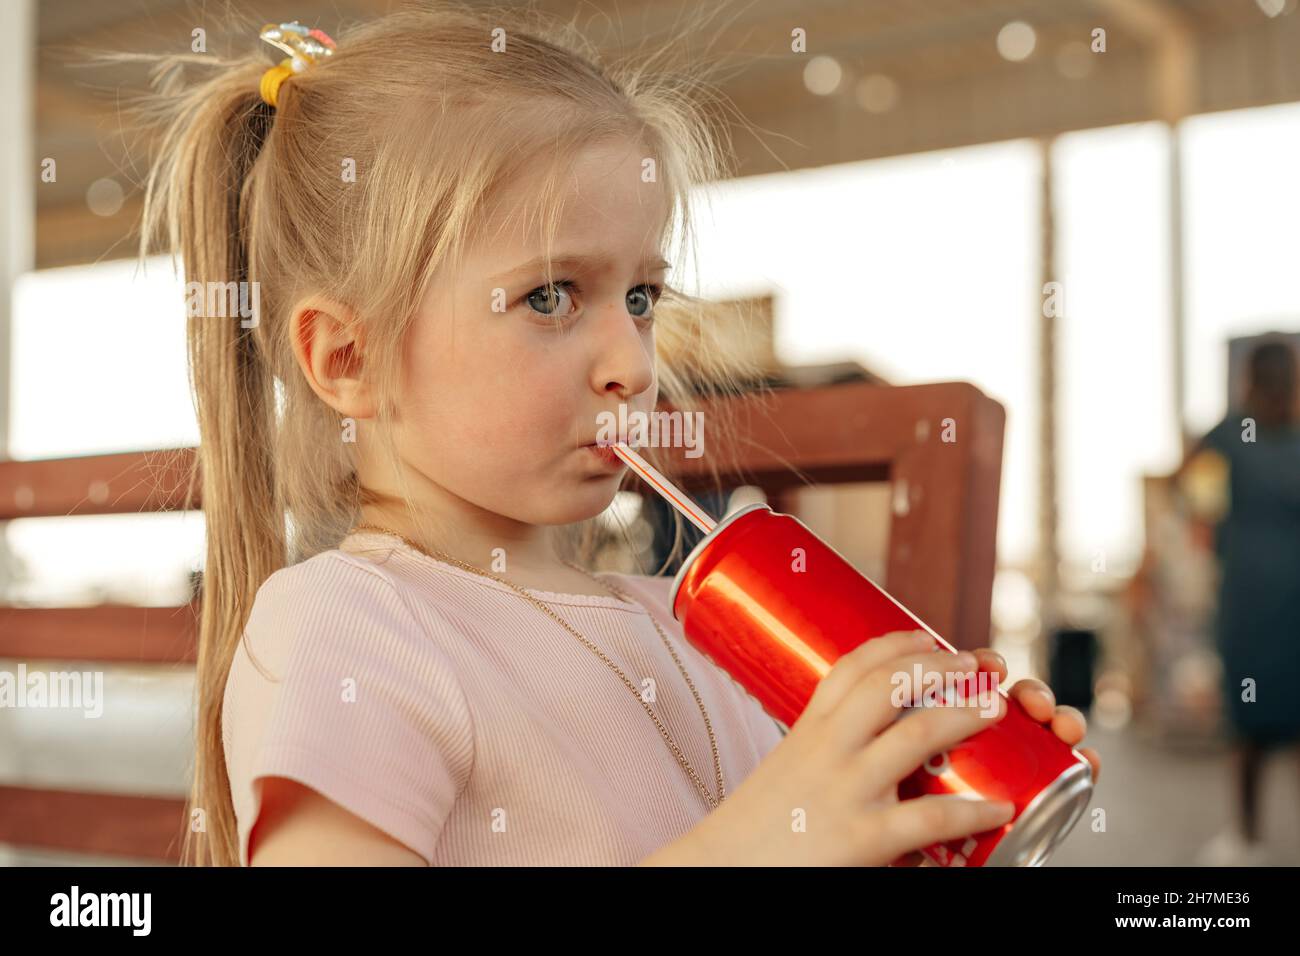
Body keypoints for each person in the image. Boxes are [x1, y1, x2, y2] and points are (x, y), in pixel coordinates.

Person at [126, 3, 1099, 866]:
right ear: (350, 359)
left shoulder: (692, 625)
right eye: (551, 294)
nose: (632, 360)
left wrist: (894, 820)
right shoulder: (352, 627)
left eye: (640, 295)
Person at [1177, 340, 1300, 866]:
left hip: (1247, 600)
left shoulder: (1226, 438)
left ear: (1246, 380)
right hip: (1294, 600)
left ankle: (1247, 842)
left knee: (1248, 725)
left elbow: (1198, 513)